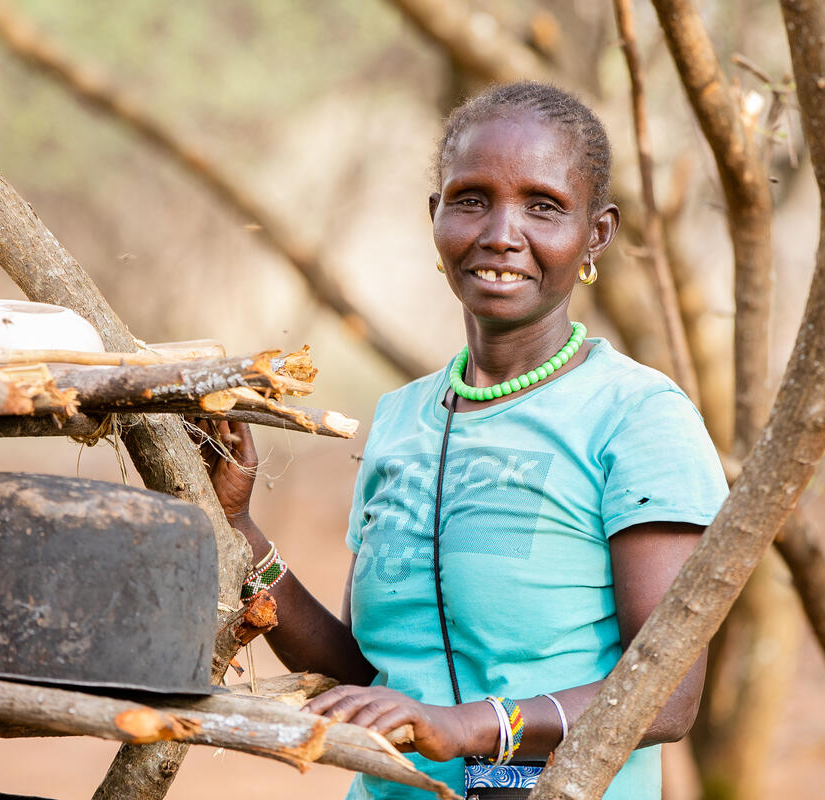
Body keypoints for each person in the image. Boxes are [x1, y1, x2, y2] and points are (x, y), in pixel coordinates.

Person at [206, 82, 728, 800]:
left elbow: (666, 697)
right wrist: (238, 527)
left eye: (542, 206)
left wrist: (471, 724)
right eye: (471, 199)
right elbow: (369, 676)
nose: (501, 233)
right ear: (436, 218)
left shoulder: (638, 417)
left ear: (596, 234)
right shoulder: (400, 419)